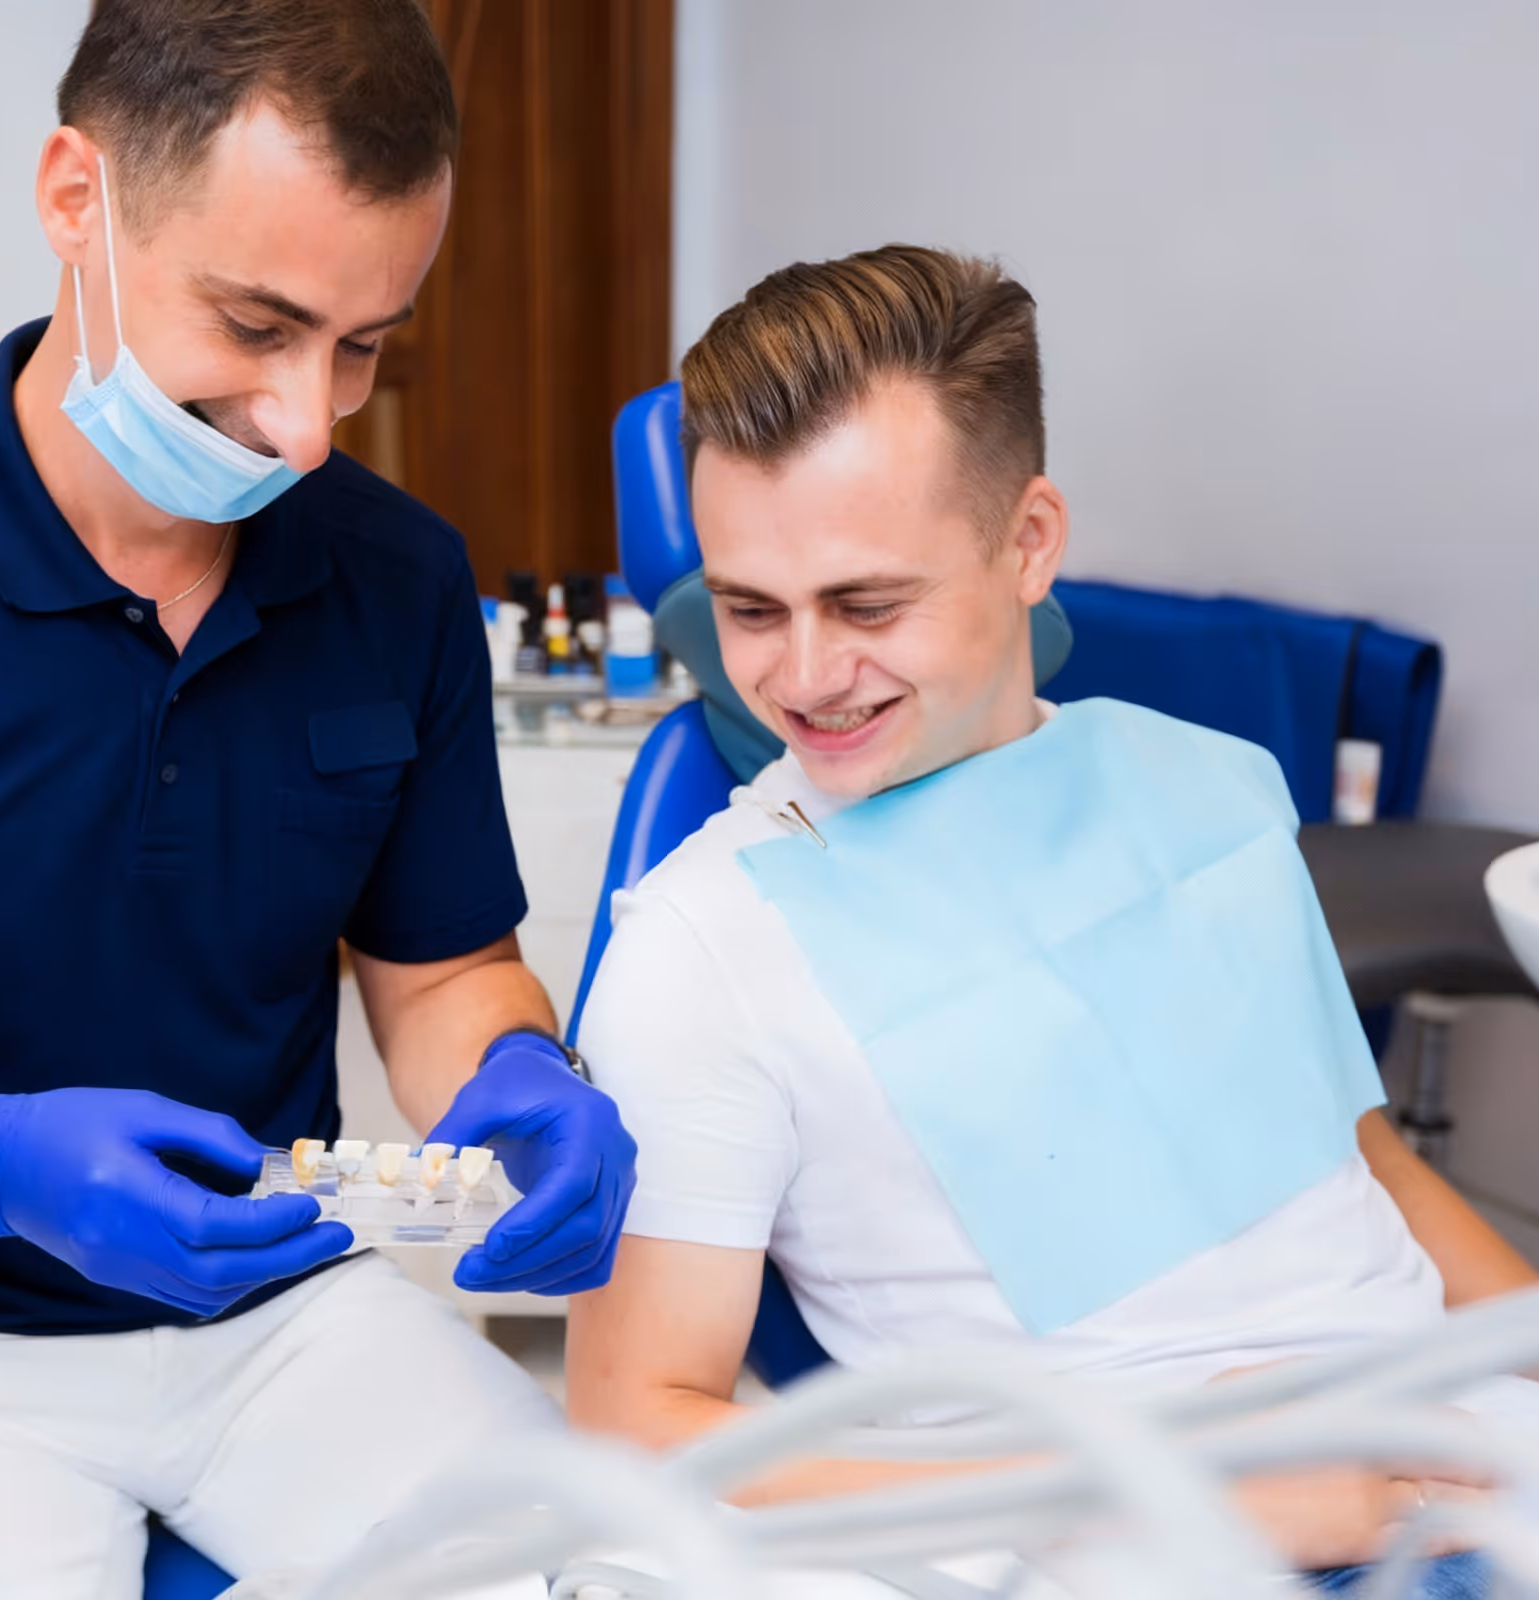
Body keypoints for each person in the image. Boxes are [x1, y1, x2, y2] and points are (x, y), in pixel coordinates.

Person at [0, 3, 634, 1593]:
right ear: (78, 199)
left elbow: (437, 972)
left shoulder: (397, 580)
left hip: (288, 1307)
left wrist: (521, 1072)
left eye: (364, 346)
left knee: (597, 1569)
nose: (310, 424)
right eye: (254, 324)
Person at [566, 245, 1537, 1580]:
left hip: (1458, 1448)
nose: (800, 675)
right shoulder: (700, 948)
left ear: (1029, 542)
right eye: (748, 609)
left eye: (866, 603)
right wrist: (1179, 1495)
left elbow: (1367, 1166)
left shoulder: (1206, 790)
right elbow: (639, 1429)